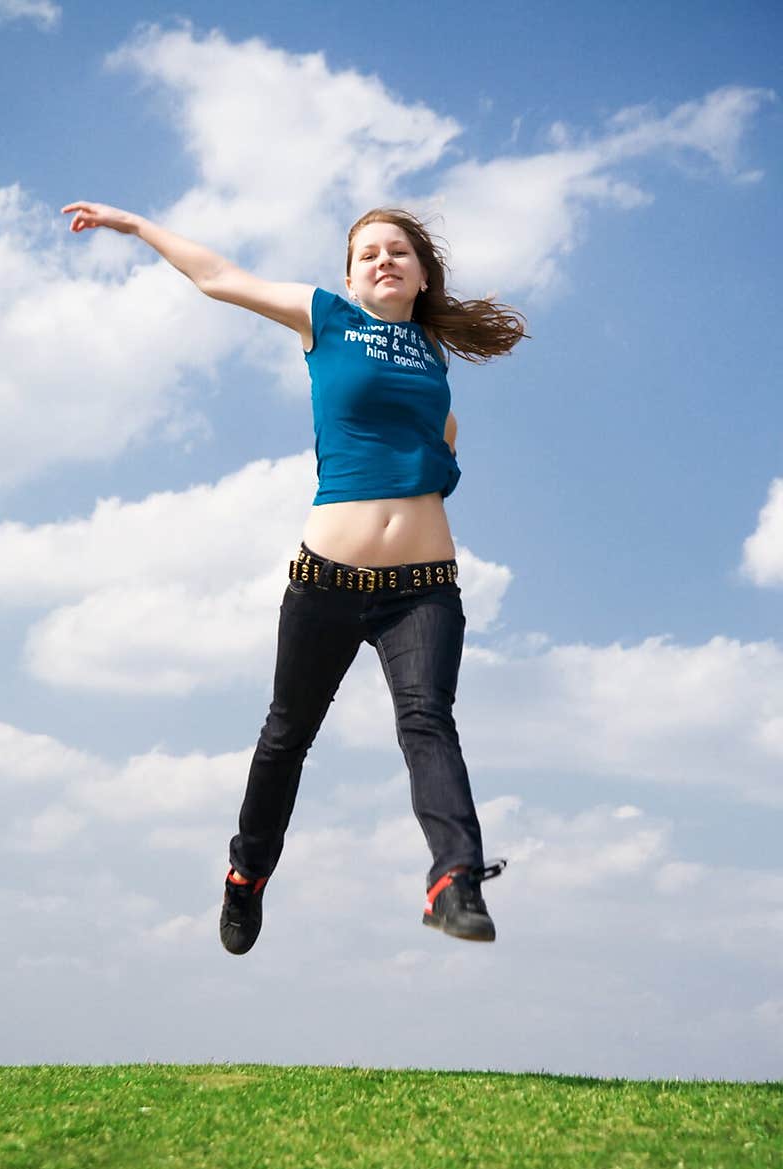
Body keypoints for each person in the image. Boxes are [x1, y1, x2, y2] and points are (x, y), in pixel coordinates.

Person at [61, 199, 527, 955]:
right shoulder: (326, 320)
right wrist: (137, 227)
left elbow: (443, 449)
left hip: (425, 588)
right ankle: (246, 876)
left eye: (398, 252)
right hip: (328, 583)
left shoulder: (434, 356)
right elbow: (219, 277)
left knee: (427, 721)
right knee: (287, 734)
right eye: (368, 252)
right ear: (349, 276)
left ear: (420, 274)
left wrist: (436, 463)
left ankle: (454, 881)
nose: (383, 260)